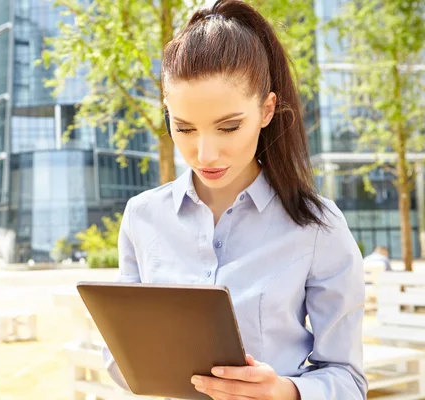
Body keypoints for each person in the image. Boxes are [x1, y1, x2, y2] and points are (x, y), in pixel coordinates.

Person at [102, 1, 367, 399]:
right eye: (184, 127)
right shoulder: (142, 217)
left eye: (228, 127)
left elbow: (349, 380)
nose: (205, 154)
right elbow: (119, 361)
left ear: (266, 110)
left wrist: (285, 392)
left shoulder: (317, 227)